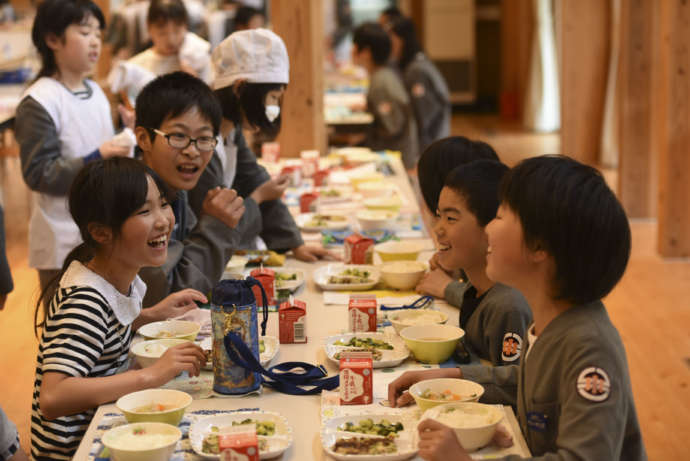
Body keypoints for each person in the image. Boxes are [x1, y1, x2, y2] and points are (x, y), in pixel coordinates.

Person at [390, 155, 647, 461]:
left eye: (499, 217)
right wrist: (452, 377)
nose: (489, 231)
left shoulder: (588, 346)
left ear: (539, 247)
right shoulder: (550, 321)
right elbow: (521, 384)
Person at [31, 158, 207, 461]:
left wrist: (150, 315)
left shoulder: (115, 275)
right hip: (78, 450)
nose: (164, 220)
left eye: (163, 204)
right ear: (101, 232)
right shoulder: (84, 300)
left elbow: (104, 329)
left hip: (107, 427)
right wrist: (150, 375)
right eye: (144, 211)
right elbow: (53, 396)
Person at [14, 0, 133, 300]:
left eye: (97, 33)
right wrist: (99, 156)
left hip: (105, 232)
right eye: (84, 32)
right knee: (68, 333)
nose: (95, 41)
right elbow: (39, 172)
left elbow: (96, 141)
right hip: (62, 239)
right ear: (53, 39)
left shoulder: (94, 91)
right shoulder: (39, 100)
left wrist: (125, 133)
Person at [188, 29, 334, 262]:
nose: (274, 108)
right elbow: (220, 222)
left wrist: (295, 244)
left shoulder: (231, 129)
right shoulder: (200, 143)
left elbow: (254, 177)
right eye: (273, 97)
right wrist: (257, 197)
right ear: (239, 88)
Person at [134, 71, 246, 305]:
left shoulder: (175, 192)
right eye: (178, 136)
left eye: (204, 139)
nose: (192, 151)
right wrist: (217, 226)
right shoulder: (133, 200)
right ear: (144, 139)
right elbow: (171, 296)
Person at [416, 161, 531, 366]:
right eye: (439, 215)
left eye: (451, 218)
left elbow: (515, 381)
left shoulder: (509, 307)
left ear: (491, 227)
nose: (437, 229)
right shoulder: (477, 287)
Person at [351, 22, 418, 170]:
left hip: (395, 159)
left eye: (354, 46)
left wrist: (361, 140)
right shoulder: (383, 75)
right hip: (397, 152)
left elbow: (391, 128)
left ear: (366, 52)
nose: (351, 50)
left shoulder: (380, 83)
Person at [123, 0, 212, 94]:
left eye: (177, 31)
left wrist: (195, 82)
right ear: (148, 28)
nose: (171, 40)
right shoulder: (136, 67)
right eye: (162, 34)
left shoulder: (199, 59)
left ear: (185, 25)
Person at [389, 17, 450, 154]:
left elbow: (424, 116)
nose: (391, 47)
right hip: (434, 138)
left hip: (431, 143)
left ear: (403, 41)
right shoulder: (418, 60)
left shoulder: (416, 70)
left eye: (393, 41)